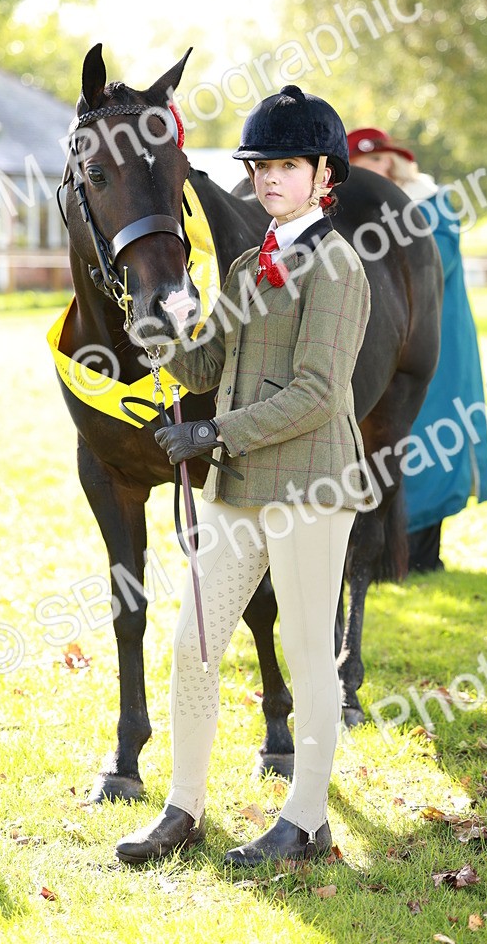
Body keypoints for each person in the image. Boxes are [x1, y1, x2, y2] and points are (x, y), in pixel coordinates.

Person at [115, 85, 373, 868]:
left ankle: (306, 821)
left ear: (323, 174)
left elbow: (316, 393)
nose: (269, 179)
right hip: (236, 494)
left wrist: (212, 432)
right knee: (192, 646)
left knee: (304, 648)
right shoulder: (243, 263)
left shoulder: (335, 266)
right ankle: (182, 808)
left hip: (309, 491)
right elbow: (210, 364)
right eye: (261, 165)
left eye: (287, 165)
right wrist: (158, 325)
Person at [347, 127, 487, 572]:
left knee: (432, 439)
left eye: (375, 162)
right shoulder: (357, 208)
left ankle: (419, 552)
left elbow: (436, 263)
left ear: (391, 164)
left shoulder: (429, 202)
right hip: (384, 335)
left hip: (434, 335)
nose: (369, 170)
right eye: (360, 164)